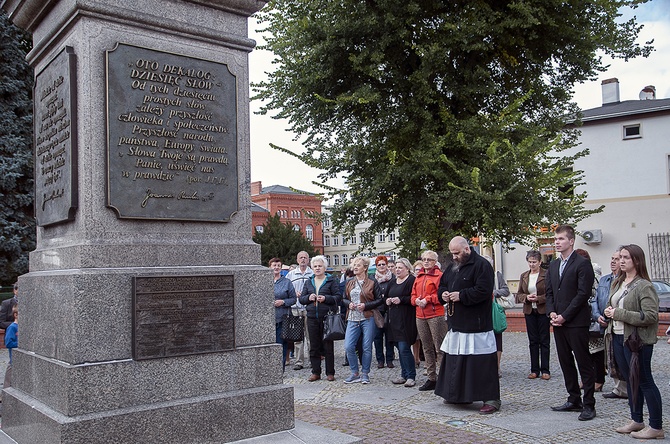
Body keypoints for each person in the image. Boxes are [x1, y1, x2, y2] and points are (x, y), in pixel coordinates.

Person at [604, 244, 663, 439]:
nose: (621, 261)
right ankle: (636, 420)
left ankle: (656, 427)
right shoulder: (619, 282)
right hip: (619, 337)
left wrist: (618, 313)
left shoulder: (644, 285)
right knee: (630, 380)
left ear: (636, 260)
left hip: (638, 342)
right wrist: (608, 312)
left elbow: (650, 316)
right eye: (620, 257)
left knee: (645, 381)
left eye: (626, 257)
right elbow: (614, 305)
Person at [435, 236, 500, 414]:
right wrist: (445, 294)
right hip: (457, 323)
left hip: (477, 324)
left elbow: (484, 291)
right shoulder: (452, 267)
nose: (454, 256)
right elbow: (442, 286)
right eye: (452, 253)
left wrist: (461, 296)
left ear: (466, 249)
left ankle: (491, 399)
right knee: (458, 361)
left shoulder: (482, 265)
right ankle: (459, 395)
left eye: (456, 253)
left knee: (481, 363)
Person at [546, 225, 596, 421]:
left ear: (571, 241)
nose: (557, 242)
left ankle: (589, 403)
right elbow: (549, 293)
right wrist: (551, 312)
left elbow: (583, 294)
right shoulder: (553, 265)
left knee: (584, 363)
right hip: (558, 322)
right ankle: (573, 398)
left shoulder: (582, 264)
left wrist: (565, 315)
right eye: (556, 239)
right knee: (565, 362)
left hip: (576, 322)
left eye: (561, 239)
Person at [300, 255, 341, 382]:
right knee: (314, 346)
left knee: (328, 345)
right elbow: (302, 299)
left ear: (325, 267)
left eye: (320, 266)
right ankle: (316, 372)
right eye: (315, 266)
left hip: (326, 317)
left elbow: (338, 297)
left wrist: (326, 298)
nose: (317, 268)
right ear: (311, 268)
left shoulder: (331, 281)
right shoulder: (309, 281)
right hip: (312, 317)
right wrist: (308, 298)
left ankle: (330, 372)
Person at [342, 257, 382, 384]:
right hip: (352, 318)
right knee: (348, 346)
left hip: (367, 317)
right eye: (354, 265)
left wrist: (366, 306)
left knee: (366, 347)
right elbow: (343, 298)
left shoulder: (372, 282)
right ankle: (354, 372)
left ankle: (365, 373)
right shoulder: (349, 282)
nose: (355, 267)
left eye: (358, 265)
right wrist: (349, 304)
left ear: (365, 268)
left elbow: (379, 299)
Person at [411, 250, 446, 392]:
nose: (426, 261)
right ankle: (432, 378)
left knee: (439, 347)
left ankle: (444, 377)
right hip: (420, 314)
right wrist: (416, 300)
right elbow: (412, 295)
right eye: (424, 259)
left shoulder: (440, 276)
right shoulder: (418, 276)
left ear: (435, 262)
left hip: (435, 314)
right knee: (426, 348)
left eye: (429, 259)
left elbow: (441, 296)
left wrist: (428, 299)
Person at [598, 248, 628, 400]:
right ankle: (619, 388)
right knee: (611, 357)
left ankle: (629, 389)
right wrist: (597, 315)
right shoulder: (605, 280)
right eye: (613, 258)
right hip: (606, 322)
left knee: (623, 358)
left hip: (621, 324)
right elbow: (596, 299)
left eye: (617, 259)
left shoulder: (626, 281)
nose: (614, 261)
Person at [574, 248, 605, 393]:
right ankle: (588, 378)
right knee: (584, 351)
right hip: (580, 315)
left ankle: (598, 380)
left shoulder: (594, 274)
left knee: (597, 351)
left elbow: (595, 294)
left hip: (593, 315)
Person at [516, 250, 550, 380]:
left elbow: (550, 294)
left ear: (540, 262)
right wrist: (527, 297)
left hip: (542, 310)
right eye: (530, 262)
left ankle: (545, 369)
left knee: (544, 340)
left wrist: (539, 298)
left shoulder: (546, 275)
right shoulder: (524, 276)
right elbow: (518, 294)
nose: (532, 265)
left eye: (534, 262)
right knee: (533, 340)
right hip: (529, 310)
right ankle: (534, 369)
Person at [385, 258, 417, 387]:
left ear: (407, 268)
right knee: (399, 348)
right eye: (396, 268)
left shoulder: (411, 280)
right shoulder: (392, 281)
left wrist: (401, 299)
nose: (397, 270)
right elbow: (386, 296)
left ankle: (411, 376)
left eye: (400, 268)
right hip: (394, 319)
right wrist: (387, 301)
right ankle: (404, 374)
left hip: (406, 318)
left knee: (404, 348)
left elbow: (413, 297)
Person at [484, 255, 511, 378]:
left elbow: (506, 290)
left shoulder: (496, 275)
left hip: (495, 309)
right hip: (482, 311)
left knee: (497, 337)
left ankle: (497, 366)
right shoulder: (477, 275)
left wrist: (494, 292)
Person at [286, 251, 313, 370]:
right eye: (301, 258)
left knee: (310, 336)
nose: (303, 260)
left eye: (305, 258)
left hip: (309, 309)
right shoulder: (291, 274)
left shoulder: (312, 274)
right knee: (297, 337)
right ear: (297, 260)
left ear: (308, 260)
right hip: (295, 309)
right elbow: (286, 290)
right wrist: (294, 294)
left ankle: (313, 359)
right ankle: (299, 361)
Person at [271, 258, 297, 371]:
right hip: (268, 319)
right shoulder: (264, 281)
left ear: (281, 268)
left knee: (281, 344)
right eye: (274, 265)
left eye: (278, 265)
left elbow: (293, 299)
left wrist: (283, 302)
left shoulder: (286, 282)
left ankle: (279, 370)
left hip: (283, 318)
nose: (276, 267)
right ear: (270, 267)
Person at [373, 255, 395, 369]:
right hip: (377, 311)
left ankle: (390, 359)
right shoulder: (373, 279)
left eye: (383, 264)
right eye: (379, 265)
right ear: (376, 266)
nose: (381, 266)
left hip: (390, 310)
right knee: (377, 337)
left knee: (389, 337)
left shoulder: (393, 278)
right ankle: (380, 359)